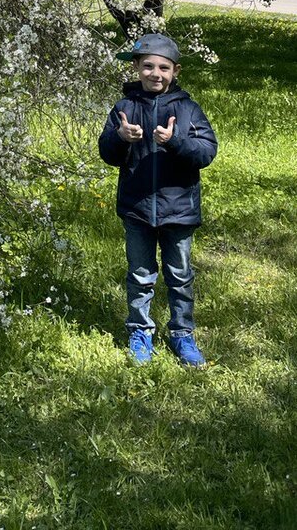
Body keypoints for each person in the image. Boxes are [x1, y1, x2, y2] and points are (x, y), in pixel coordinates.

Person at [98, 32, 217, 366]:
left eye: (163, 68)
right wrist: (121, 138)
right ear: (136, 67)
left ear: (175, 71)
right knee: (140, 274)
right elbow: (107, 152)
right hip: (137, 209)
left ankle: (182, 335)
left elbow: (207, 152)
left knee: (179, 275)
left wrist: (175, 140)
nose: (155, 73)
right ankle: (140, 332)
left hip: (178, 209)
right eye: (147, 66)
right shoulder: (125, 108)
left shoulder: (188, 109)